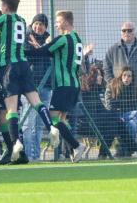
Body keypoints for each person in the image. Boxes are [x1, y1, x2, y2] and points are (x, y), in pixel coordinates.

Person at [0, 0, 59, 164]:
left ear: (5, 6)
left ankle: (16, 143)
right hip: (24, 66)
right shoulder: (21, 21)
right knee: (36, 101)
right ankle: (51, 127)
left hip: (9, 68)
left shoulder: (5, 19)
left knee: (10, 109)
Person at [26, 10, 87, 162]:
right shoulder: (77, 39)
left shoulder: (63, 39)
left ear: (66, 22)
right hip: (74, 84)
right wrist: (41, 47)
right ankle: (71, 149)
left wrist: (30, 49)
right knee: (61, 119)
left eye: (58, 21)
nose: (56, 25)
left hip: (64, 85)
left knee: (52, 119)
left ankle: (76, 145)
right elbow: (53, 53)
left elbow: (41, 52)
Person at [104, 22, 137, 120]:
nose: (127, 32)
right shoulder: (112, 49)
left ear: (135, 32)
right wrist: (113, 84)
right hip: (119, 97)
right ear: (121, 32)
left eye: (130, 30)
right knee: (123, 126)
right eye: (124, 30)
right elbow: (106, 68)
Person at [21, 13, 53, 161]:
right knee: (29, 123)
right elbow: (30, 56)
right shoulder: (25, 39)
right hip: (30, 86)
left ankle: (36, 155)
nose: (39, 27)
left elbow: (48, 54)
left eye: (42, 24)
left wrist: (42, 47)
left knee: (40, 124)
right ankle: (28, 154)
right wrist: (41, 48)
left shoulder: (49, 40)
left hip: (46, 86)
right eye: (37, 24)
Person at [105, 67, 137, 155]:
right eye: (124, 75)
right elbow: (109, 106)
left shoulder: (134, 89)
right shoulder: (112, 86)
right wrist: (118, 115)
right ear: (121, 76)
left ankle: (127, 149)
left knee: (133, 124)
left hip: (128, 117)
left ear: (132, 78)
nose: (126, 78)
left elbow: (133, 107)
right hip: (116, 117)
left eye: (129, 76)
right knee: (136, 113)